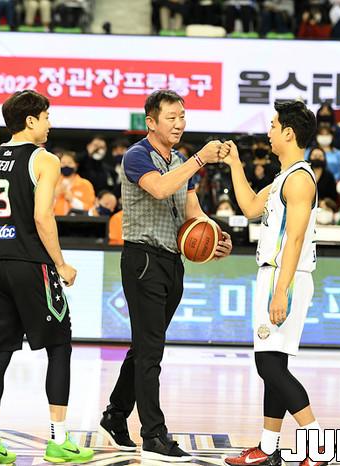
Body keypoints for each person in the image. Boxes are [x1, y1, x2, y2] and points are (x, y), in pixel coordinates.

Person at [98, 90, 232, 461]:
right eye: (171, 117)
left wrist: (215, 234)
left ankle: (115, 415)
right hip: (143, 259)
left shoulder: (180, 160)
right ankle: (153, 435)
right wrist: (200, 159)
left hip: (172, 262)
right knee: (151, 350)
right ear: (151, 122)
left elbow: (193, 211)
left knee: (145, 346)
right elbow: (159, 188)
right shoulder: (137, 155)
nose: (179, 123)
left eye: (182, 116)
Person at [0, 90, 93, 465]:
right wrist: (61, 264)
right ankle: (58, 440)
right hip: (31, 265)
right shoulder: (45, 159)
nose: (50, 123)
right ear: (31, 121)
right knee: (59, 347)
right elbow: (42, 217)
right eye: (46, 116)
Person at [222, 100, 326, 466]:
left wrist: (281, 290)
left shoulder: (299, 180)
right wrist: (235, 164)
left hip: (286, 277)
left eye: (273, 125)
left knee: (268, 366)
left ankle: (318, 444)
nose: (268, 132)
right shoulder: (285, 177)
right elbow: (251, 206)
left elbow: (294, 240)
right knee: (274, 366)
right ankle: (268, 448)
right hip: (274, 275)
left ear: (289, 133)